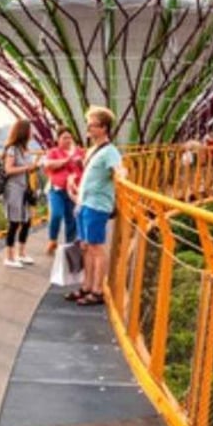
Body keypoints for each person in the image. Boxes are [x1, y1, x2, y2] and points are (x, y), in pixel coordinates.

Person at [69, 105, 123, 307]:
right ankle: (87, 286)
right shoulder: (93, 150)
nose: (89, 129)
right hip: (85, 203)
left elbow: (119, 171)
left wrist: (120, 178)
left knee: (96, 248)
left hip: (97, 205)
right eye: (89, 124)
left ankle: (98, 290)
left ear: (104, 128)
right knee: (86, 247)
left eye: (92, 125)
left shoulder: (110, 151)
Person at [1, 119, 37, 267]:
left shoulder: (26, 150)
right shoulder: (12, 150)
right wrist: (27, 168)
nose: (32, 133)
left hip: (24, 189)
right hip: (14, 190)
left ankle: (21, 254)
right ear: (24, 132)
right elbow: (8, 170)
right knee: (14, 223)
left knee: (27, 221)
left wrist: (34, 168)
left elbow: (27, 169)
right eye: (30, 130)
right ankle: (9, 257)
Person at [42, 128, 84, 255]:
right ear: (58, 139)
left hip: (73, 190)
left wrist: (80, 162)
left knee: (71, 219)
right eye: (64, 137)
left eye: (69, 137)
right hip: (57, 189)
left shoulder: (79, 152)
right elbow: (48, 165)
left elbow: (86, 167)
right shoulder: (53, 152)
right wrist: (67, 160)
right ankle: (53, 239)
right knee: (56, 214)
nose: (67, 140)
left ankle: (69, 247)